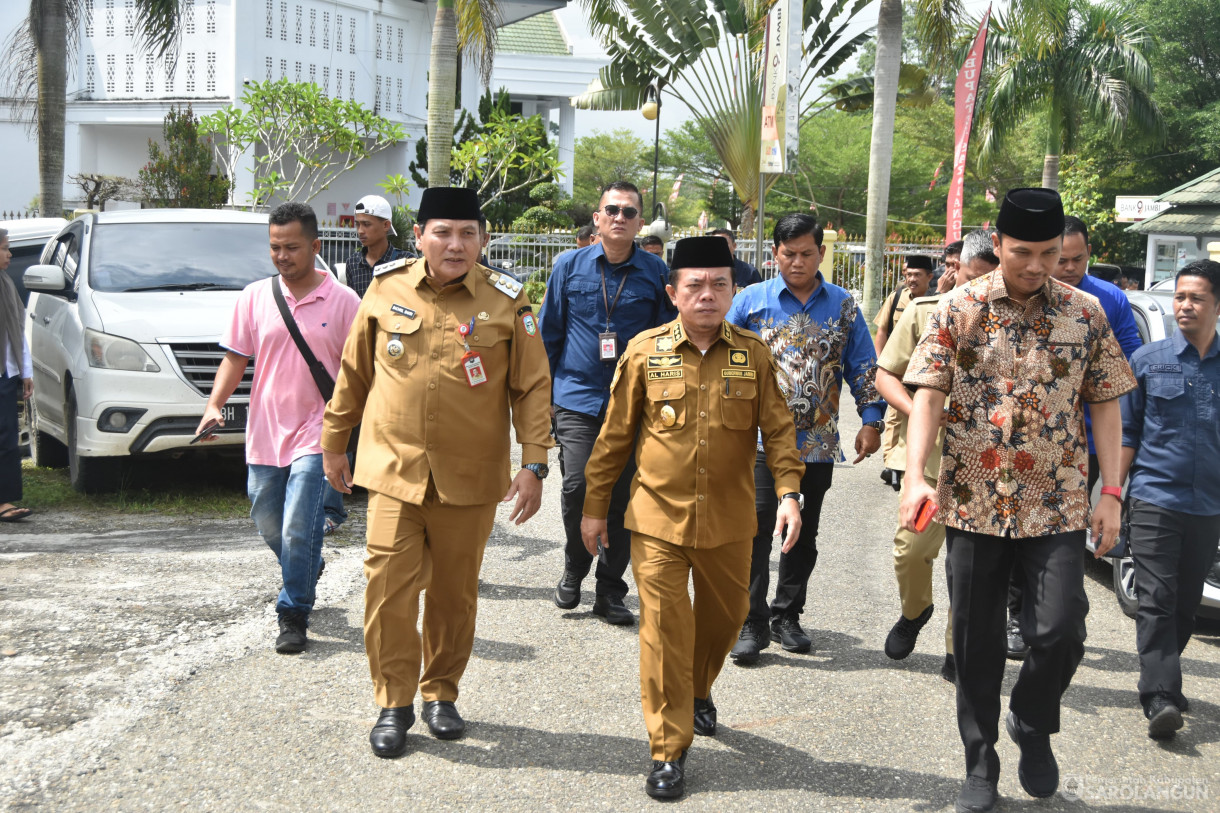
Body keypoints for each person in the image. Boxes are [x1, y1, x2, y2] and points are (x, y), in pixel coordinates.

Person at [899, 188, 1137, 813]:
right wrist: (917, 477)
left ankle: (1032, 720)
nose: (1036, 265)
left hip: (1055, 504)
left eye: (1050, 253)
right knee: (975, 641)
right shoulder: (958, 306)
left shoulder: (1086, 314)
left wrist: (1111, 491)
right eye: (1023, 252)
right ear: (996, 242)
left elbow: (1106, 403)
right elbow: (926, 391)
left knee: (1060, 629)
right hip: (972, 503)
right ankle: (979, 761)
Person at [321, 186, 553, 758]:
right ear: (420, 235)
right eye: (443, 232)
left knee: (454, 595)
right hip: (393, 470)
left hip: (471, 477)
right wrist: (333, 442)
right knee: (387, 592)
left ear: (484, 239)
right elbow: (353, 374)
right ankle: (393, 702)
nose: (455, 244)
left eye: (467, 234)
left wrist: (534, 463)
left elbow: (531, 387)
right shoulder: (384, 288)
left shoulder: (507, 301)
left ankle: (441, 692)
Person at [580, 236, 804, 800]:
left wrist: (789, 492)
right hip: (657, 518)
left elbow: (777, 429)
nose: (708, 295)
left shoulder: (752, 353)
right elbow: (613, 439)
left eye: (719, 284)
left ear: (733, 290)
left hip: (729, 519)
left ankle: (698, 689)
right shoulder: (644, 351)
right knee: (663, 631)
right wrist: (592, 508)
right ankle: (667, 747)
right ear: (673, 293)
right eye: (695, 285)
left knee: (726, 620)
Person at [197, 202, 362, 654]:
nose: (282, 256)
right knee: (268, 521)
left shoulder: (346, 302)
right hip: (266, 431)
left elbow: (359, 371)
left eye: (291, 247)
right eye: (275, 247)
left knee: (295, 524)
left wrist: (348, 434)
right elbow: (236, 356)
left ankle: (293, 613)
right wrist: (215, 404)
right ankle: (307, 564)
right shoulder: (255, 297)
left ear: (315, 246)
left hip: (320, 430)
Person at [725, 213, 884, 663]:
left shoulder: (844, 306)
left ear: (821, 253)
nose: (797, 262)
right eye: (789, 253)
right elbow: (723, 361)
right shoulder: (748, 303)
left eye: (807, 254)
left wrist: (871, 420)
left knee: (802, 532)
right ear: (775, 252)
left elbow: (862, 367)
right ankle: (750, 621)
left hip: (815, 441)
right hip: (754, 441)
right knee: (755, 528)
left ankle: (787, 616)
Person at [1001, 215, 1144, 660]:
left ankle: (1059, 612)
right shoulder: (1014, 294)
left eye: (1074, 260)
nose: (1064, 268)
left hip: (1089, 443)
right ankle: (1017, 614)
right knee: (1018, 529)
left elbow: (1130, 362)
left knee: (1063, 530)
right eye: (1057, 259)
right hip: (1026, 444)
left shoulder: (1106, 303)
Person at [540, 181, 674, 626]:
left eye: (629, 212)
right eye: (611, 210)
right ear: (597, 218)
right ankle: (575, 566)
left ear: (640, 223)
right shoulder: (568, 266)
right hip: (576, 396)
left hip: (633, 403)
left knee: (623, 495)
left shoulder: (657, 274)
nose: (620, 217)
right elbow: (549, 336)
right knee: (578, 485)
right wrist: (543, 403)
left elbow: (667, 343)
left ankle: (610, 590)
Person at [874, 229, 998, 683]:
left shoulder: (1020, 322)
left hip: (986, 464)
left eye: (988, 278)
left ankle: (956, 648)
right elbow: (886, 375)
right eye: (969, 276)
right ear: (955, 270)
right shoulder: (926, 312)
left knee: (972, 567)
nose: (976, 288)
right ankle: (915, 611)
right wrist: (921, 411)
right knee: (911, 549)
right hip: (930, 460)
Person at [1118, 259, 1220, 740]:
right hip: (1154, 496)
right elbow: (1127, 432)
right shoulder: (1148, 360)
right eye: (1180, 297)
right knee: (1156, 598)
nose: (1184, 305)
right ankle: (1158, 694)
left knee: (1185, 604)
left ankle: (1167, 679)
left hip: (1208, 506)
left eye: (1196, 298)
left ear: (1216, 305)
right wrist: (1114, 493)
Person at [0, 228, 33, 523]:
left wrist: (25, 371)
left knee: (7, 439)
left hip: (5, 375)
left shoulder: (6, 283)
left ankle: (4, 501)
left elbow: (18, 331)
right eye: (5, 248)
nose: (9, 254)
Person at [344, 194, 412, 299]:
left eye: (366, 224)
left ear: (386, 225)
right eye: (358, 224)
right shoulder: (353, 262)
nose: (360, 231)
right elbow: (353, 306)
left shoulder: (406, 262)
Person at [874, 255, 934, 353]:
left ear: (929, 277)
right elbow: (882, 331)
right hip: (894, 362)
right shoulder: (895, 298)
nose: (912, 279)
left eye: (917, 275)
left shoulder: (935, 300)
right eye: (909, 274)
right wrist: (878, 362)